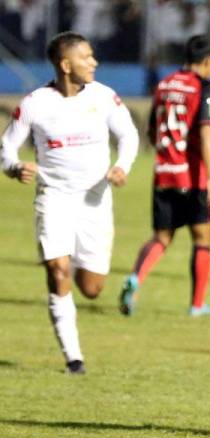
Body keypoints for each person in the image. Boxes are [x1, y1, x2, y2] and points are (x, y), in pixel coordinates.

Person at [0, 31, 139, 374]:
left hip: (95, 201)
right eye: (85, 57)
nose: (94, 62)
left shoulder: (104, 96)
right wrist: (15, 167)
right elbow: (6, 147)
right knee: (57, 270)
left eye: (92, 56)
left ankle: (72, 258)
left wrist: (122, 166)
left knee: (92, 289)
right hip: (54, 197)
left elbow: (128, 135)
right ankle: (74, 358)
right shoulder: (35, 103)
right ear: (65, 65)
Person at [118, 34, 210, 317]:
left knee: (161, 237)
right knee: (202, 239)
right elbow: (207, 131)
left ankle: (135, 278)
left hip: (164, 173)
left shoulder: (164, 85)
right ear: (207, 60)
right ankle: (197, 305)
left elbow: (152, 130)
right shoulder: (207, 88)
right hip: (193, 176)